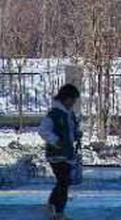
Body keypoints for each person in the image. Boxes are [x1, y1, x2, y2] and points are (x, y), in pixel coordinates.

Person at [39, 83, 82, 219]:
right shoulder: (54, 114)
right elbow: (43, 131)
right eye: (72, 100)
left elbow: (70, 131)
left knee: (63, 181)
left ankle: (52, 205)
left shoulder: (69, 114)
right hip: (56, 154)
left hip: (67, 153)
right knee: (64, 181)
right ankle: (58, 212)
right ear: (65, 98)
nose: (73, 103)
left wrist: (76, 134)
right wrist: (55, 141)